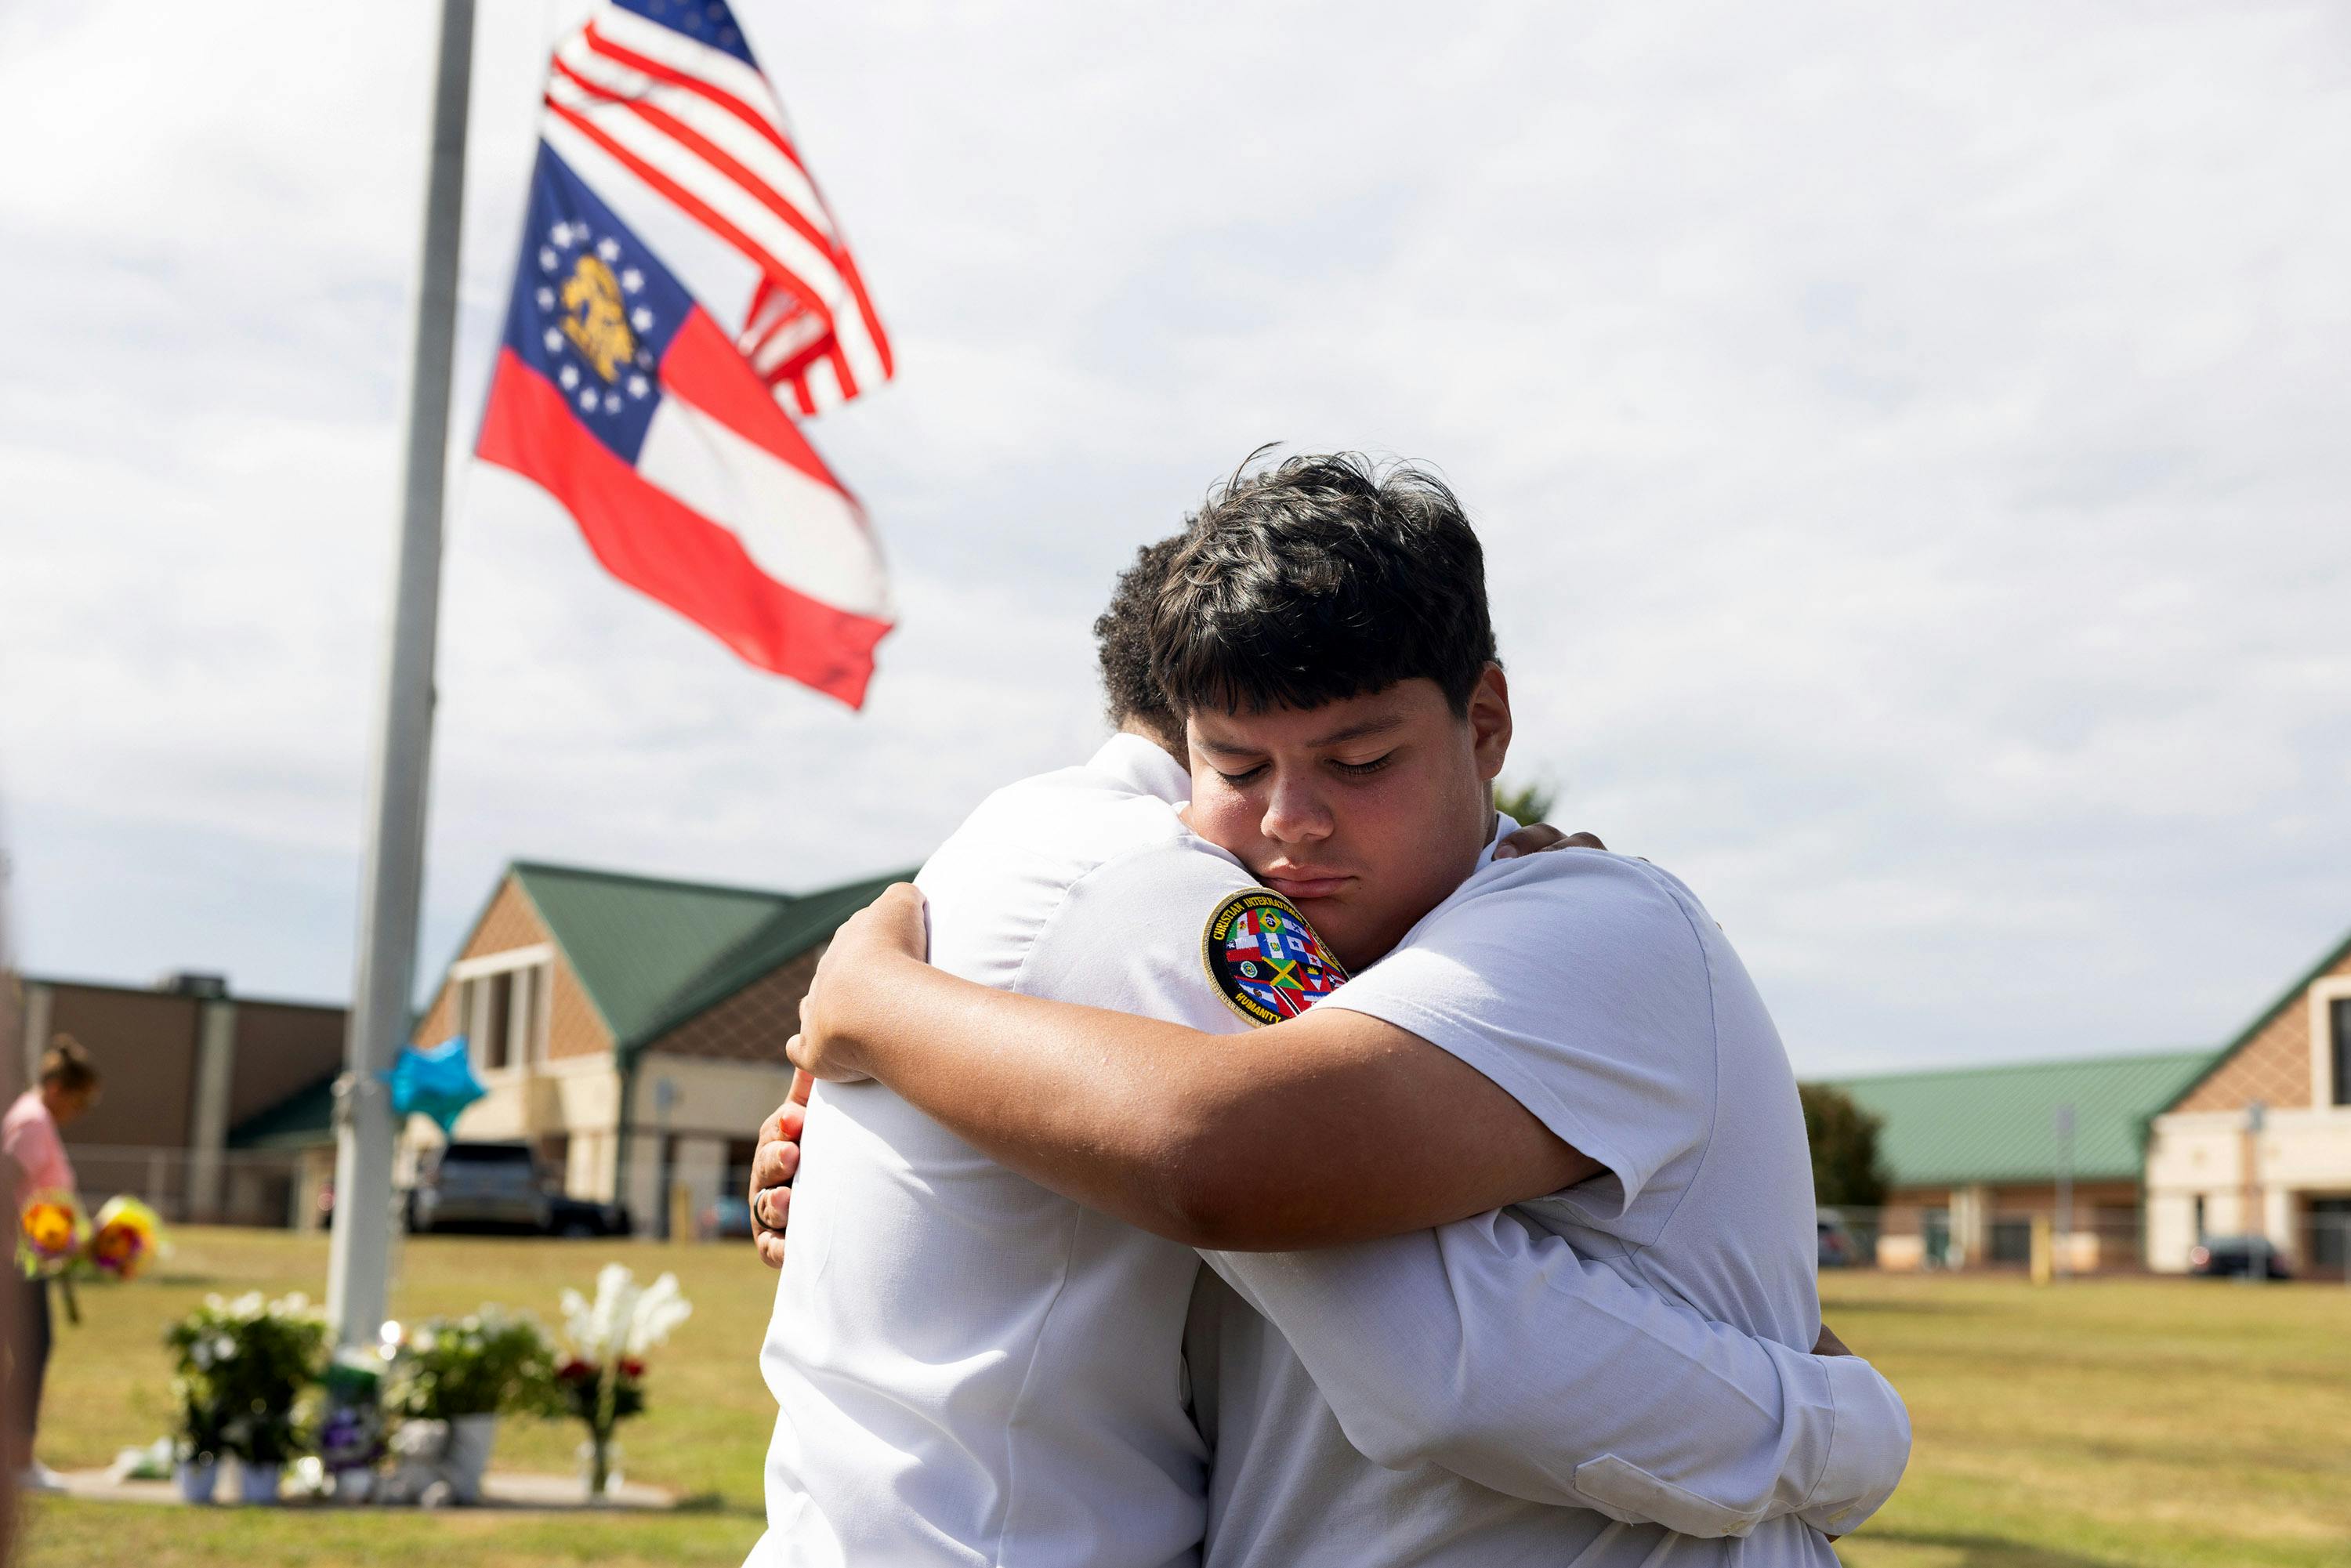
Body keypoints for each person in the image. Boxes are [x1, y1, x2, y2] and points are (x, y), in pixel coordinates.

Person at [748, 458, 1907, 1568]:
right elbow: (1255, 1180)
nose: (1290, 824)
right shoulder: (1154, 883)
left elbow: (1410, 1294)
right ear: (1181, 736)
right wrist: (1842, 1428)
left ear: (1484, 722)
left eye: (1358, 761)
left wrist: (885, 1011)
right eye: (1238, 768)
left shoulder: (1035, 861)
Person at [5, 1034, 100, 1494]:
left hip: (25, 1262)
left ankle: (18, 1461)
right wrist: (35, 1241)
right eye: (78, 1102)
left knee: (30, 1356)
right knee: (30, 1356)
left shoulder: (35, 1119)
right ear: (58, 1088)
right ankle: (17, 1465)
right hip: (13, 1264)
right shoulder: (33, 1123)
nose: (77, 1113)